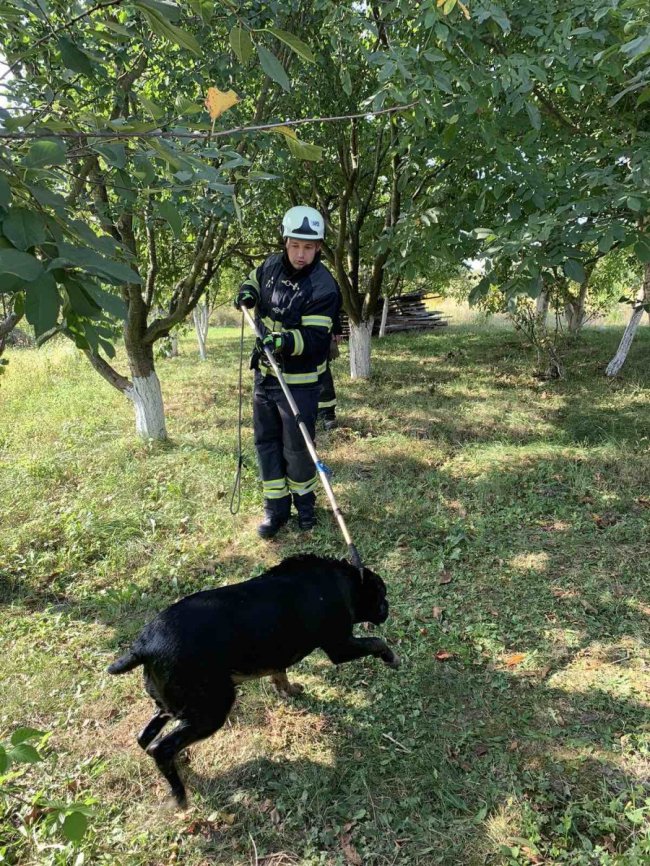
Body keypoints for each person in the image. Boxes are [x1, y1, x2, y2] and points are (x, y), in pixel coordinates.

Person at [234, 205, 341, 539]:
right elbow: (252, 281)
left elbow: (314, 339)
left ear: (319, 247)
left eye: (309, 247)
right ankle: (275, 509)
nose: (300, 254)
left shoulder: (324, 286)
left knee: (297, 448)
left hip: (299, 382)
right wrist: (247, 293)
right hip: (265, 377)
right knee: (266, 442)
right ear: (285, 242)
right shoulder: (270, 266)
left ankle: (305, 507)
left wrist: (280, 341)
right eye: (295, 245)